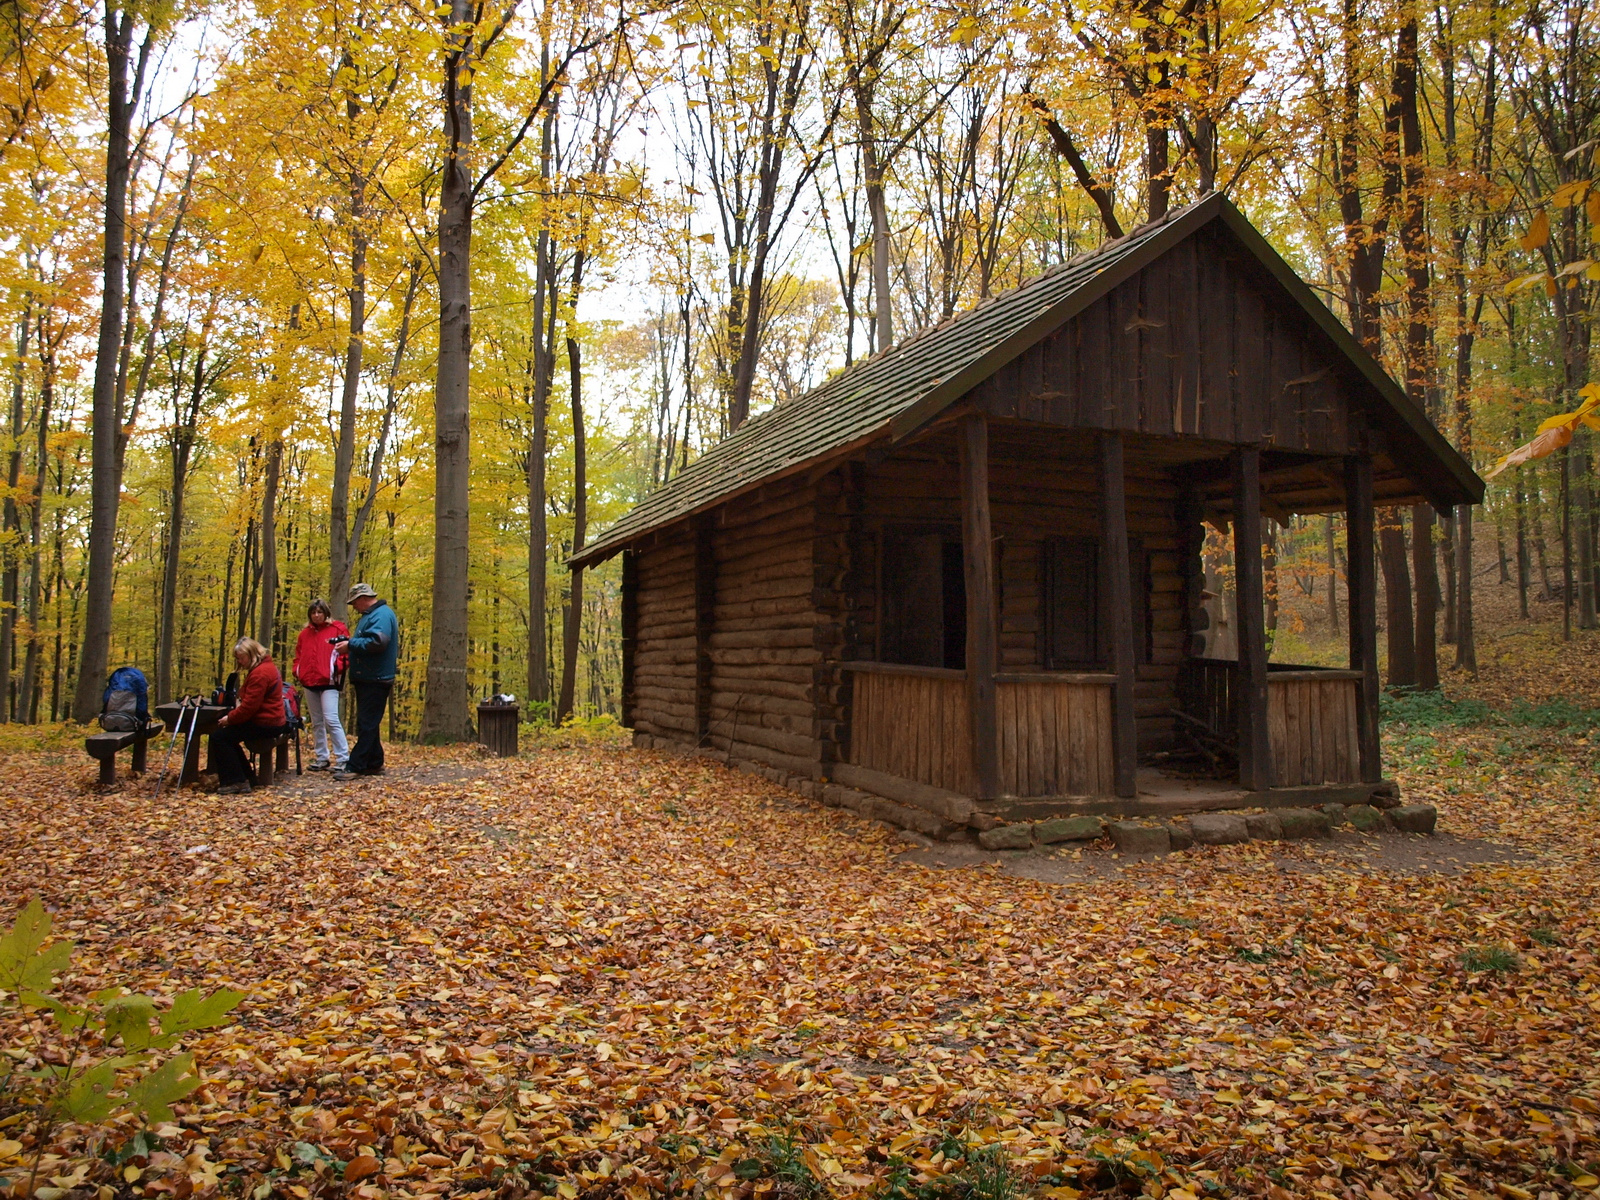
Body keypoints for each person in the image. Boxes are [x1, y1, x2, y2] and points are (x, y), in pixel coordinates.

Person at [334, 582, 399, 780]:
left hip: (375, 678)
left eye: (355, 603)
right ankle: (374, 762)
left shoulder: (381, 615)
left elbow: (378, 642)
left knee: (367, 723)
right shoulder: (373, 616)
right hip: (370, 676)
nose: (354, 607)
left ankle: (356, 765)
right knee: (370, 722)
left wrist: (351, 644)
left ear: (363, 599)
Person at [210, 638, 289, 795]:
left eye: (241, 657)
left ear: (251, 654)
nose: (239, 661)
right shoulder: (265, 667)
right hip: (270, 720)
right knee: (227, 737)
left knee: (219, 737)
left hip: (267, 723)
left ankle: (236, 781)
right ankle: (247, 777)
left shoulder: (260, 673)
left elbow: (249, 708)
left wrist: (229, 718)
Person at [293, 598, 349, 772]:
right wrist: (298, 670)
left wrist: (335, 669)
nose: (317, 616)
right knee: (317, 721)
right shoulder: (304, 634)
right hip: (309, 681)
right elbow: (298, 654)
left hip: (329, 682)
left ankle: (343, 757)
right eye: (314, 613)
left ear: (326, 613)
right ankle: (322, 757)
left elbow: (345, 654)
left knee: (331, 719)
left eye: (320, 612)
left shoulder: (337, 629)